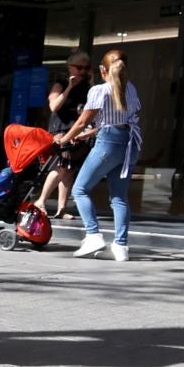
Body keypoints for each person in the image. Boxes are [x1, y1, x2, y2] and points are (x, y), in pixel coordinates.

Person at [57, 48, 141, 261]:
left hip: (108, 143)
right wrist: (88, 134)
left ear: (103, 70)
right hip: (129, 143)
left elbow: (82, 121)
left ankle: (93, 235)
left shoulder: (100, 90)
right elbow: (118, 121)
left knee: (80, 189)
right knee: (119, 198)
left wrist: (65, 139)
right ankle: (121, 247)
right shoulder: (130, 88)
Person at [35, 51, 94, 217]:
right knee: (61, 165)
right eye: (79, 67)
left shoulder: (88, 88)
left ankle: (62, 207)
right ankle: (41, 200)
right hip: (60, 130)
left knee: (69, 169)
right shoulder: (60, 85)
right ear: (70, 67)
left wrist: (91, 81)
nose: (82, 71)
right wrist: (69, 87)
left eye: (86, 68)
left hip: (77, 131)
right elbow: (54, 106)